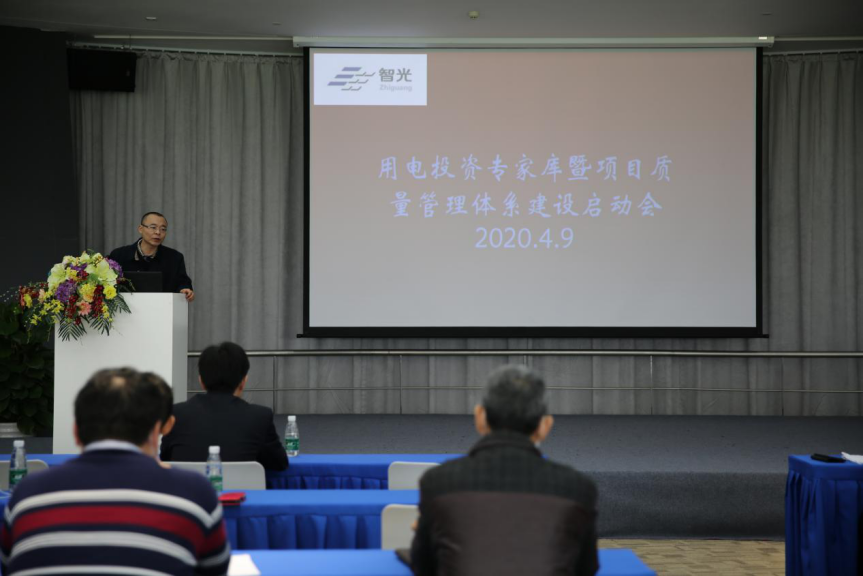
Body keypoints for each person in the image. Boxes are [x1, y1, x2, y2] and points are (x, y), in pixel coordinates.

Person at [0, 368, 229, 576]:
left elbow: (8, 566)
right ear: (158, 429)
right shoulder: (194, 493)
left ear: (76, 432)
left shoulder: (26, 495)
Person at [410, 365, 599, 576]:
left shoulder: (438, 483)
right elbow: (586, 568)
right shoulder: (577, 488)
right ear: (545, 425)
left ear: (480, 417)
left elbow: (423, 566)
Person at [161, 341, 288, 471]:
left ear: (201, 381)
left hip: (187, 484)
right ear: (243, 381)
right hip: (243, 485)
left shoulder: (175, 414)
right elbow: (279, 464)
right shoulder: (260, 417)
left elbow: (165, 459)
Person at [109, 211, 195, 301]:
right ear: (140, 229)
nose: (158, 232)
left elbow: (183, 282)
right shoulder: (119, 255)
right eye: (153, 227)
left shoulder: (175, 258)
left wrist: (185, 289)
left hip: (162, 307)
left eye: (163, 229)